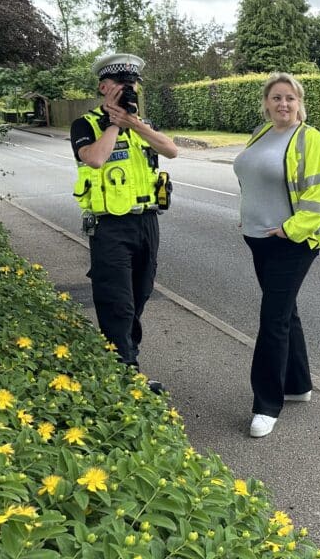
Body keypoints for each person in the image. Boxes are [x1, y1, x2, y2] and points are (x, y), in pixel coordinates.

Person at [71, 53, 178, 392]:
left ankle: (122, 360)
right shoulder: (86, 125)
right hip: (109, 228)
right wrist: (115, 123)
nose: (127, 91)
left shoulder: (140, 125)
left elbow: (171, 150)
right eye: (120, 85)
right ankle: (127, 378)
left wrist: (134, 123)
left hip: (146, 223)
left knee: (139, 294)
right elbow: (97, 159)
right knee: (117, 301)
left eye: (131, 86)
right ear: (104, 87)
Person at [234, 73, 320, 437]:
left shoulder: (310, 139)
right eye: (276, 98)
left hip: (291, 244)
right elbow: (252, 178)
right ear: (266, 102)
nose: (283, 105)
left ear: (300, 102)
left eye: (290, 98)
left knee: (272, 319)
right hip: (258, 239)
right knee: (285, 313)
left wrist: (290, 229)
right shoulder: (262, 133)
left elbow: (319, 196)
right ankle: (298, 384)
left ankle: (266, 405)